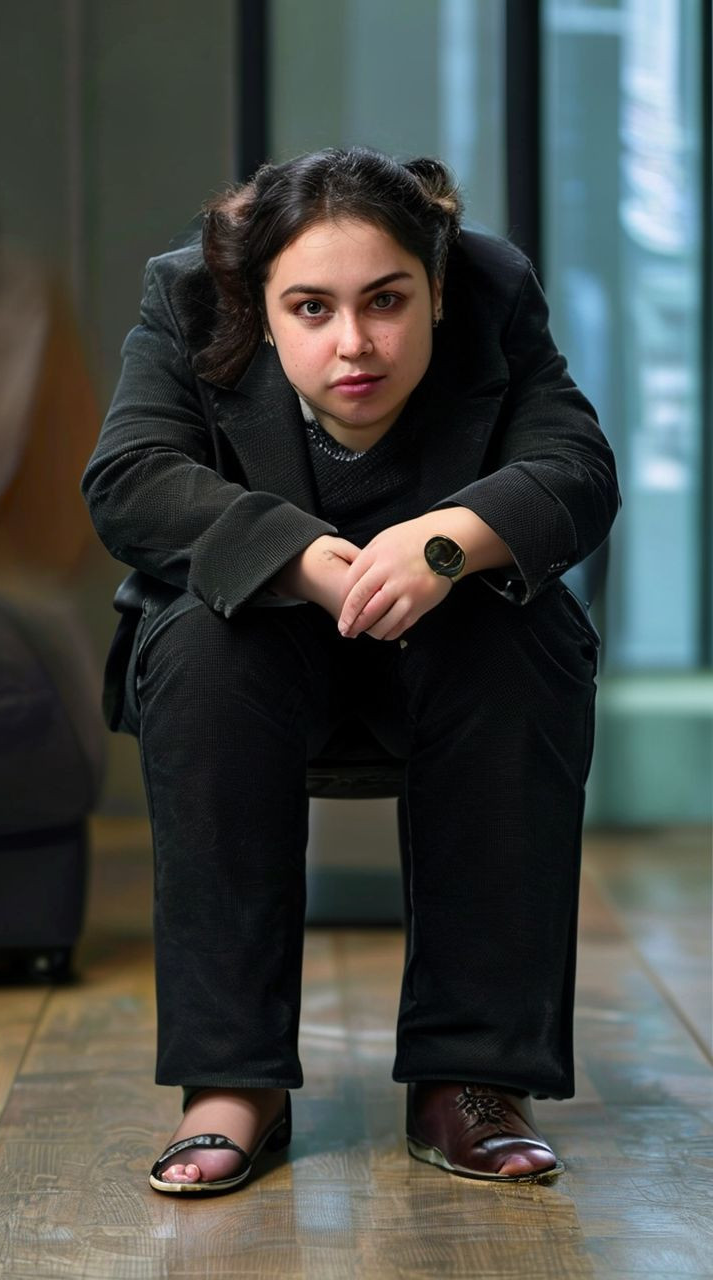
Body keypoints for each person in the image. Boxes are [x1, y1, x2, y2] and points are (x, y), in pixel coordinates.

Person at [81, 147, 621, 1195]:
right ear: (260, 306)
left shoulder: (495, 287)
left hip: (457, 651)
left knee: (525, 637)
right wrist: (290, 553)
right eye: (311, 309)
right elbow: (131, 477)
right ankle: (231, 1082)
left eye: (386, 301)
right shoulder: (188, 293)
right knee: (204, 642)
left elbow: (576, 469)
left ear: (436, 289)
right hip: (253, 656)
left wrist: (448, 541)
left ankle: (470, 1079)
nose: (355, 343)